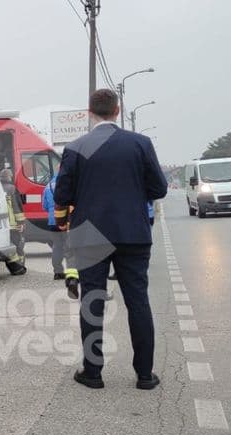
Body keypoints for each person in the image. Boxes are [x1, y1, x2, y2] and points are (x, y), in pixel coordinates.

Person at [54, 88, 167, 391]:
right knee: (138, 302)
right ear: (117, 111)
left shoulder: (76, 147)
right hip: (133, 232)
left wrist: (68, 219)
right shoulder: (140, 144)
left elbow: (62, 194)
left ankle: (93, 373)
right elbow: (159, 188)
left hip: (90, 234)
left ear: (90, 112)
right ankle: (145, 375)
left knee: (92, 301)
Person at [43, 172, 80, 298]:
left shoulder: (47, 186)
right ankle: (73, 274)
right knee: (69, 248)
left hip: (52, 221)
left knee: (56, 246)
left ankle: (58, 272)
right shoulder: (68, 185)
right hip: (66, 222)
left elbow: (45, 206)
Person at [0, 169, 26, 275]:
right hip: (13, 224)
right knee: (18, 246)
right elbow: (17, 207)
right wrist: (21, 222)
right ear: (9, 177)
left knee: (9, 247)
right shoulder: (12, 188)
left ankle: (15, 268)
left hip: (2, 225)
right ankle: (19, 267)